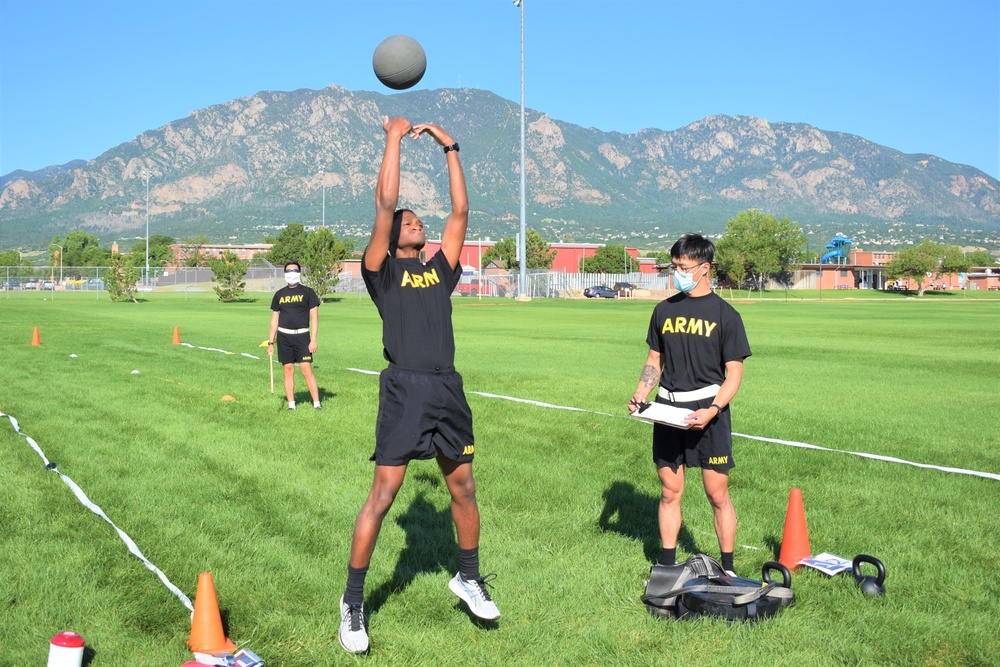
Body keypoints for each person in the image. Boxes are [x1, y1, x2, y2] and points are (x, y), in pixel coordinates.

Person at [338, 116, 500, 655]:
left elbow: (461, 211)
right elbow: (384, 205)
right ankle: (354, 603)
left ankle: (468, 577)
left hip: (447, 388)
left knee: (464, 488)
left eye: (416, 219)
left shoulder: (440, 268)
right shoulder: (381, 271)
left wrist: (448, 145)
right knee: (384, 495)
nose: (415, 221)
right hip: (405, 389)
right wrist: (393, 137)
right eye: (408, 220)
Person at [627, 234, 751, 576]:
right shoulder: (663, 310)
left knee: (717, 494)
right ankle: (668, 567)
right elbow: (655, 358)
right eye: (675, 267)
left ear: (705, 268)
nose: (677, 273)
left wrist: (712, 410)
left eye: (684, 267)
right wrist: (640, 393)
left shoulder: (727, 315)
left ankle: (728, 570)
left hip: (708, 412)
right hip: (667, 409)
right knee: (670, 491)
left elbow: (734, 375)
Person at [266, 261, 321, 410]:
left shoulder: (308, 292)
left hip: (302, 337)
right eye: (288, 271)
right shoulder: (279, 294)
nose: (291, 273)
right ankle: (291, 405)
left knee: (306, 369)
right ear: (284, 274)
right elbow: (274, 319)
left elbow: (314, 318)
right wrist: (271, 342)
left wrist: (313, 340)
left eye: (294, 270)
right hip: (284, 337)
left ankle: (316, 404)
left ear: (300, 273)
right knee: (288, 369)